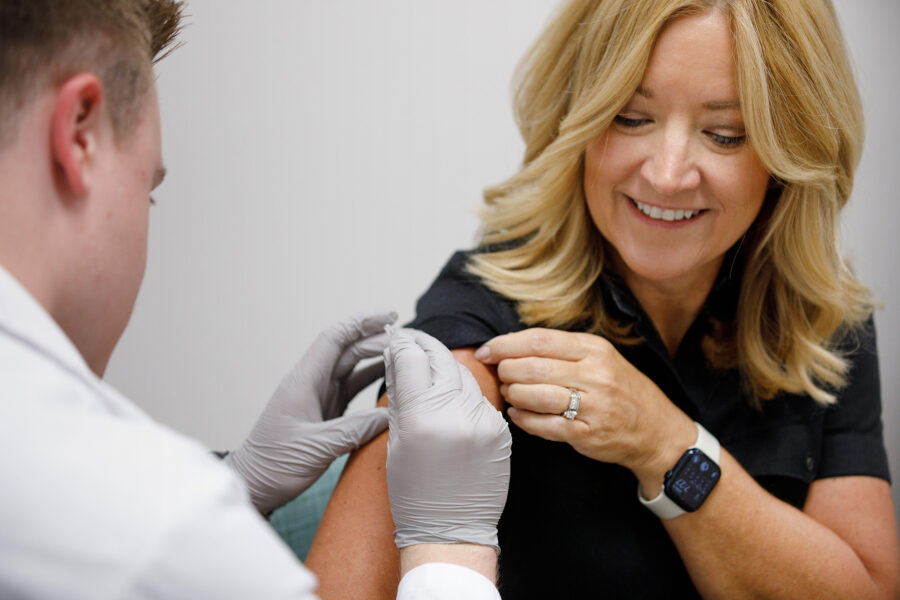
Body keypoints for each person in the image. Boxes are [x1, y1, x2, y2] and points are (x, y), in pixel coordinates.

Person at [306, 0, 900, 597]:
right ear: (577, 119)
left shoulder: (822, 323)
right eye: (629, 117)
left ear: (789, 152)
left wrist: (668, 444)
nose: (668, 175)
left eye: (725, 135)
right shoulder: (481, 319)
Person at [0, 1, 511, 598]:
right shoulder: (153, 534)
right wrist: (449, 547)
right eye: (149, 192)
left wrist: (237, 482)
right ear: (79, 133)